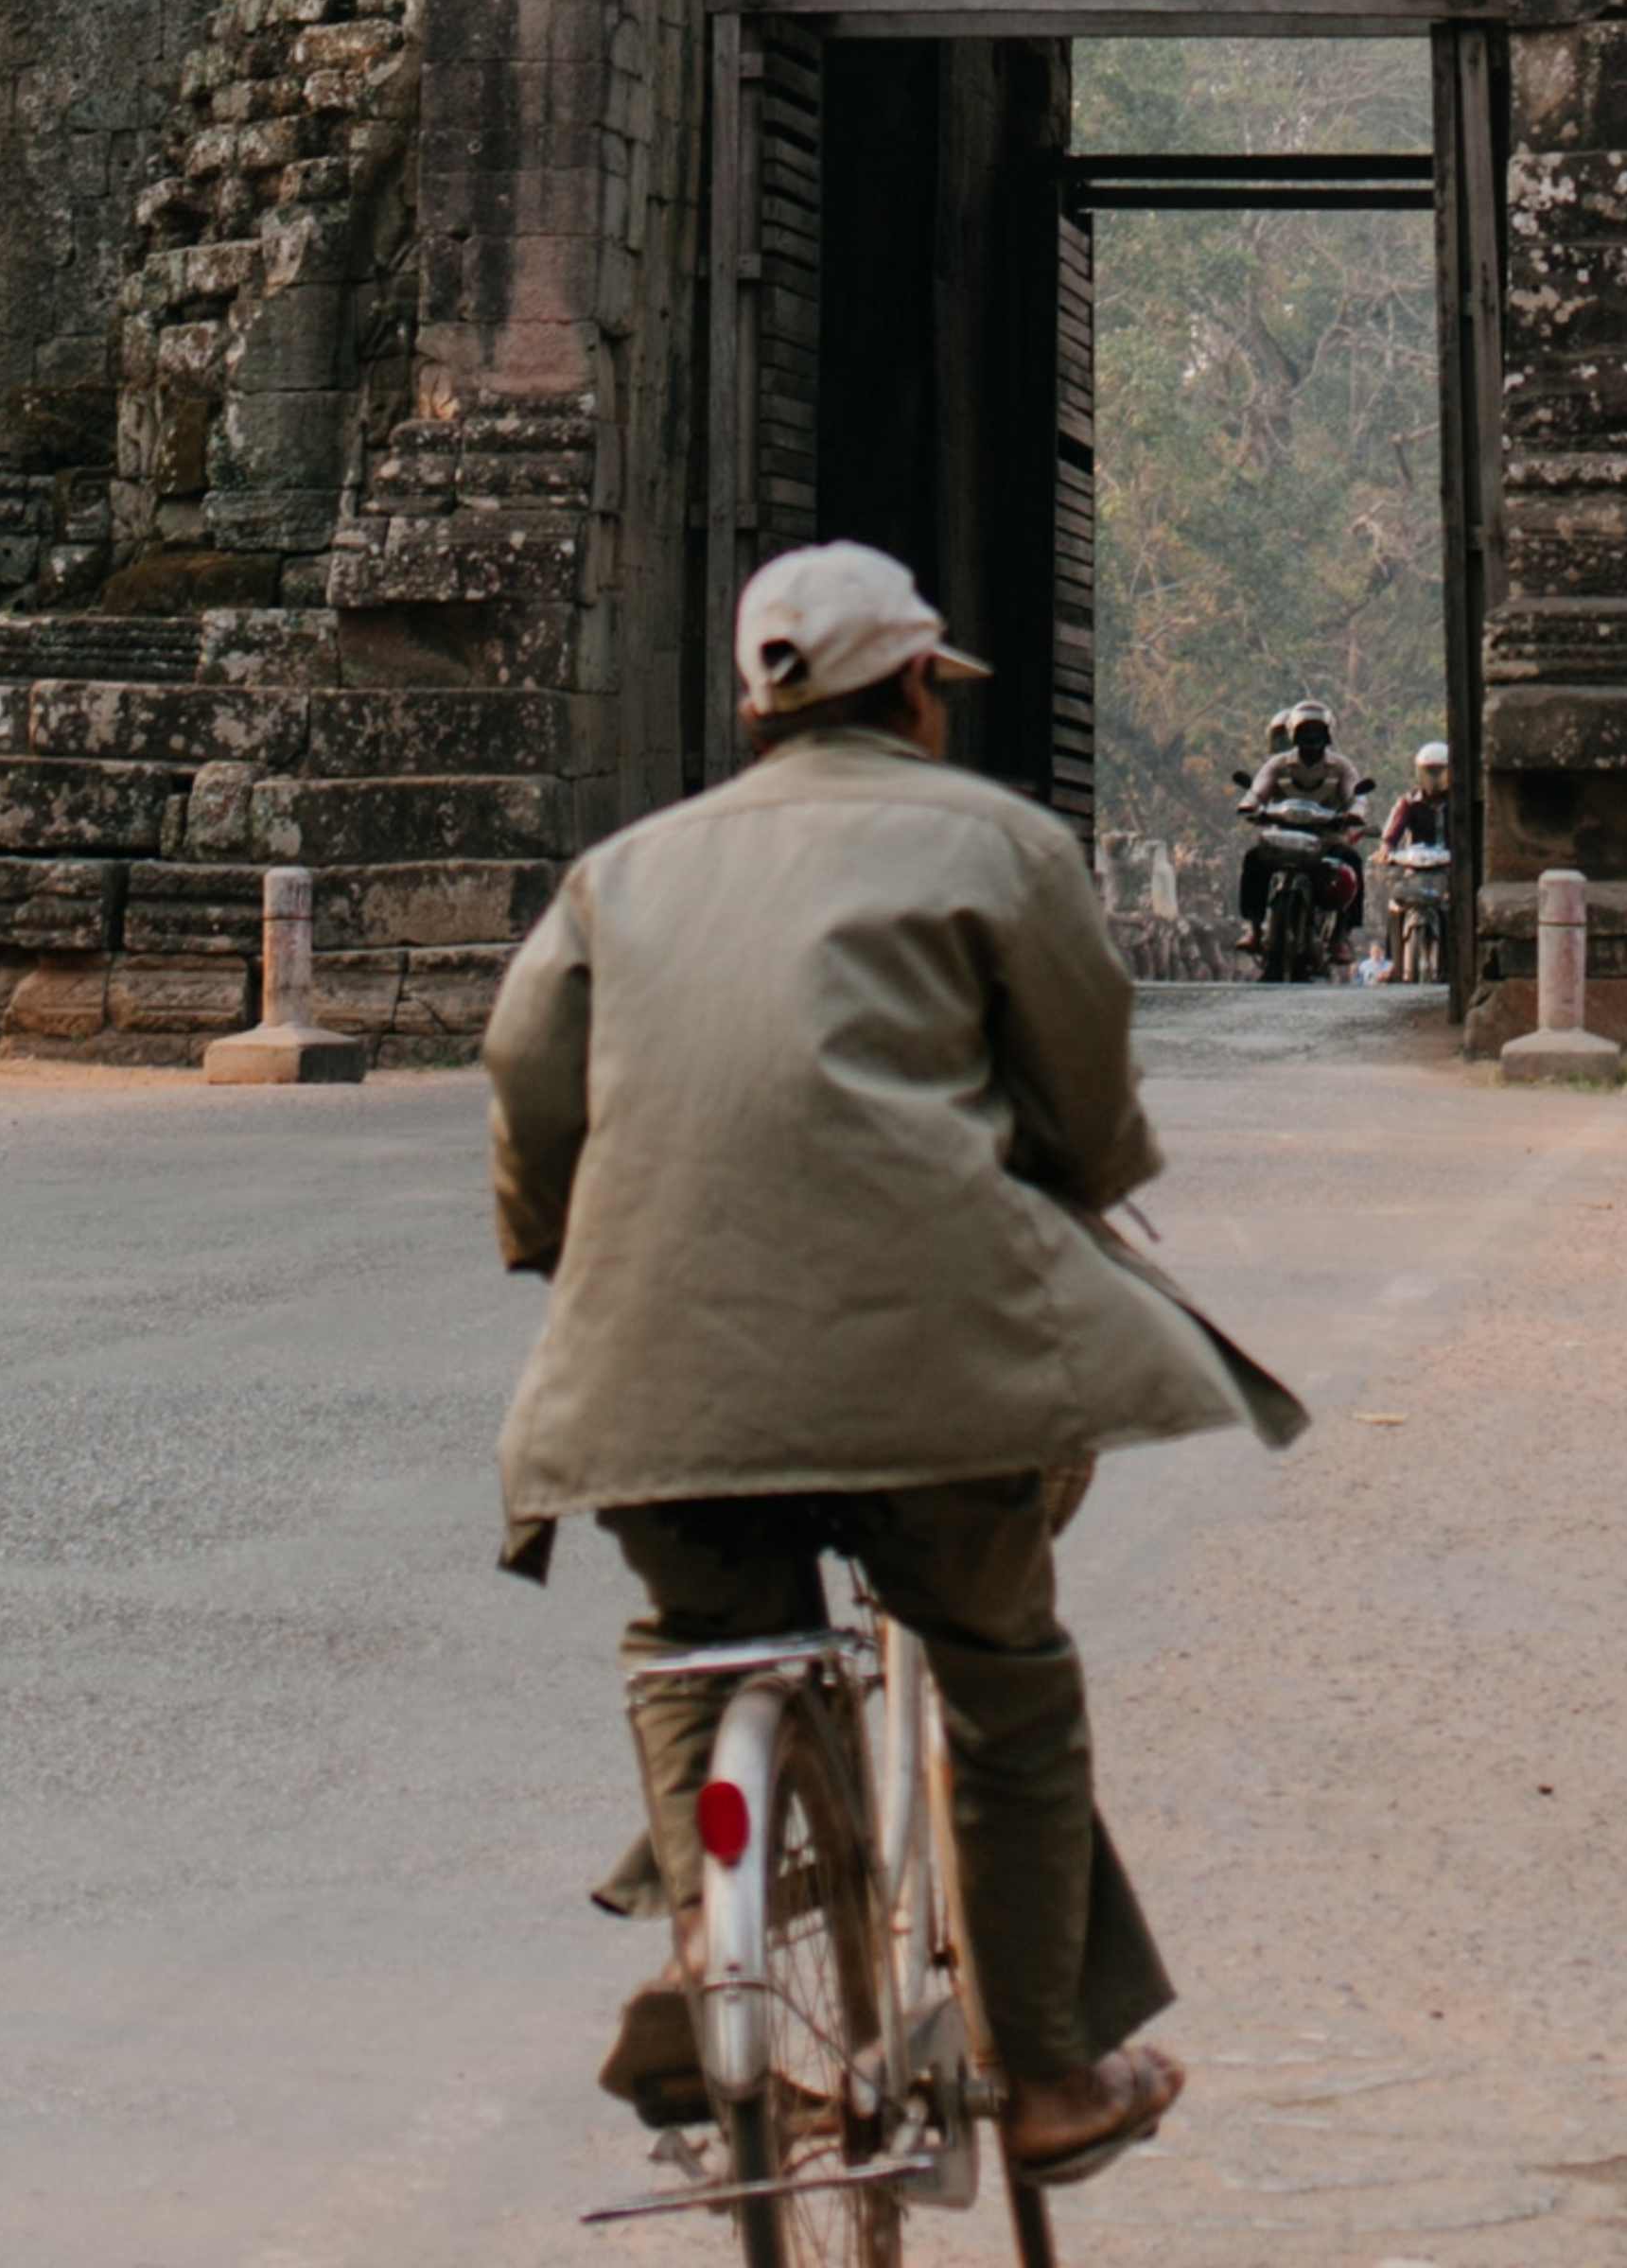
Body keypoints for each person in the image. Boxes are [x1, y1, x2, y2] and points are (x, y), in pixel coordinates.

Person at [481, 541, 1307, 2189]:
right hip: (936, 1368)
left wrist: (569, 1248)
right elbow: (1084, 1112)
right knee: (999, 1669)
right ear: (920, 691)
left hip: (653, 1375)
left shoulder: (623, 876)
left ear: (756, 707)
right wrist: (1073, 1183)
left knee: (697, 1639)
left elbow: (526, 1066)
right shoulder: (996, 841)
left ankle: (694, 1968)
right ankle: (1055, 2077)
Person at [1231, 701, 1368, 958]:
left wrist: (1354, 813)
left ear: (1328, 734)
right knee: (1253, 860)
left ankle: (1341, 934)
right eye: (1306, 731)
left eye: (1318, 731)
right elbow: (1257, 790)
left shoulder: (1341, 767)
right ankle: (1254, 930)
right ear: (1293, 733)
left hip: (1325, 839)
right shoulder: (1277, 764)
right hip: (1281, 838)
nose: (1312, 738)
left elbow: (1356, 794)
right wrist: (1250, 806)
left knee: (1352, 862)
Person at [1380, 740, 1452, 858]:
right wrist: (1386, 850)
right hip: (1417, 865)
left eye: (1439, 772)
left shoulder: (1461, 800)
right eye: (1429, 772)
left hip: (1458, 866)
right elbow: (1392, 834)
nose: (1434, 778)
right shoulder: (1410, 801)